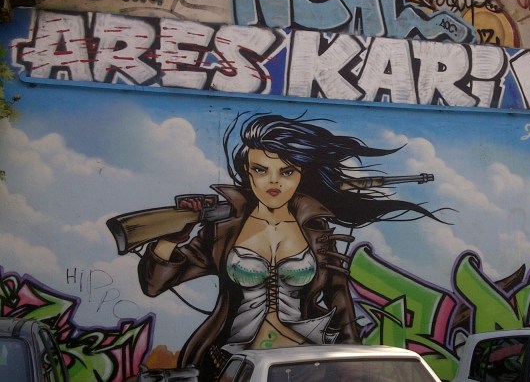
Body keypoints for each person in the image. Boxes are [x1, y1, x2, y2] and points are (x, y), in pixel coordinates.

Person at [137, 113, 444, 381]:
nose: (274, 182)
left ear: (300, 175)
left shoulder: (317, 231)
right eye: (261, 170)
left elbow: (341, 306)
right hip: (232, 366)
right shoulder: (224, 229)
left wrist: (352, 368)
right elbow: (154, 285)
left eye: (286, 172)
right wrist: (172, 238)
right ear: (247, 171)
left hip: (306, 367)